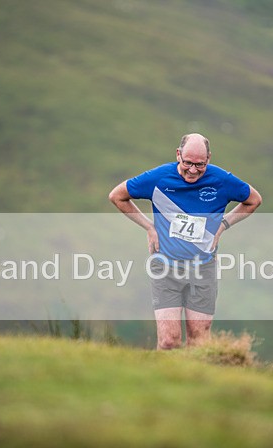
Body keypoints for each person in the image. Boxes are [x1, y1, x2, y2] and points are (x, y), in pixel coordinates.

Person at [108, 133, 262, 349]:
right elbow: (117, 196)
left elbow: (254, 200)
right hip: (166, 267)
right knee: (169, 340)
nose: (193, 170)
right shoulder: (160, 177)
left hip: (203, 268)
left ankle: (194, 381)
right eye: (188, 163)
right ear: (178, 155)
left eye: (200, 164)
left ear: (208, 159)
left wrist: (223, 226)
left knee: (198, 341)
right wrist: (149, 227)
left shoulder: (222, 180)